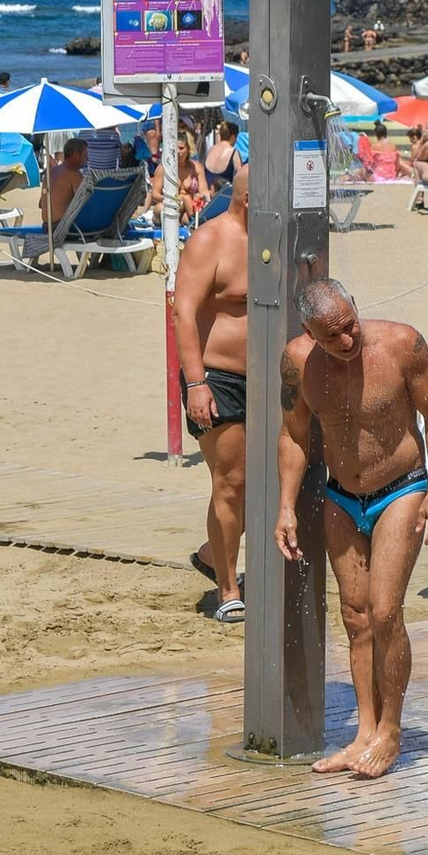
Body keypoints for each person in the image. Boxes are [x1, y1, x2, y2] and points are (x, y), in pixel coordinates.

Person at [277, 279, 428, 778]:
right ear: (310, 334)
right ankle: (365, 732)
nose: (348, 341)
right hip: (341, 495)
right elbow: (292, 435)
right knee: (355, 617)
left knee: (385, 610)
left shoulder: (401, 344)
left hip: (402, 487)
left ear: (356, 307)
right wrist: (286, 507)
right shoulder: (297, 363)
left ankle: (391, 731)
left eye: (351, 326)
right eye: (332, 337)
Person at [174, 166, 249, 621]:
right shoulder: (209, 239)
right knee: (232, 481)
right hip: (218, 377)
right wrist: (196, 383)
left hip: (271, 378)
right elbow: (184, 313)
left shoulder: (279, 240)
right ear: (247, 198)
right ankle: (227, 588)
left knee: (270, 482)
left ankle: (210, 552)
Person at [149, 133, 210, 225]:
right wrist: (172, 199)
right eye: (174, 148)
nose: (177, 151)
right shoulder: (164, 168)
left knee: (188, 217)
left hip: (190, 208)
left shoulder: (196, 167)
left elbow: (204, 192)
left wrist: (198, 198)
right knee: (160, 209)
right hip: (169, 204)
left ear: (189, 149)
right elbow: (155, 194)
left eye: (181, 148)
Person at [42, 136, 88, 231]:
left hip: (46, 226)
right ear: (76, 155)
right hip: (62, 228)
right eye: (85, 155)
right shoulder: (74, 174)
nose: (88, 158)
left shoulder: (50, 172)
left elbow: (40, 204)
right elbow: (87, 203)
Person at [204, 120, 242, 187]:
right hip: (224, 194)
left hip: (209, 192)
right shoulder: (233, 152)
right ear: (233, 137)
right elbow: (241, 176)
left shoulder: (211, 149)